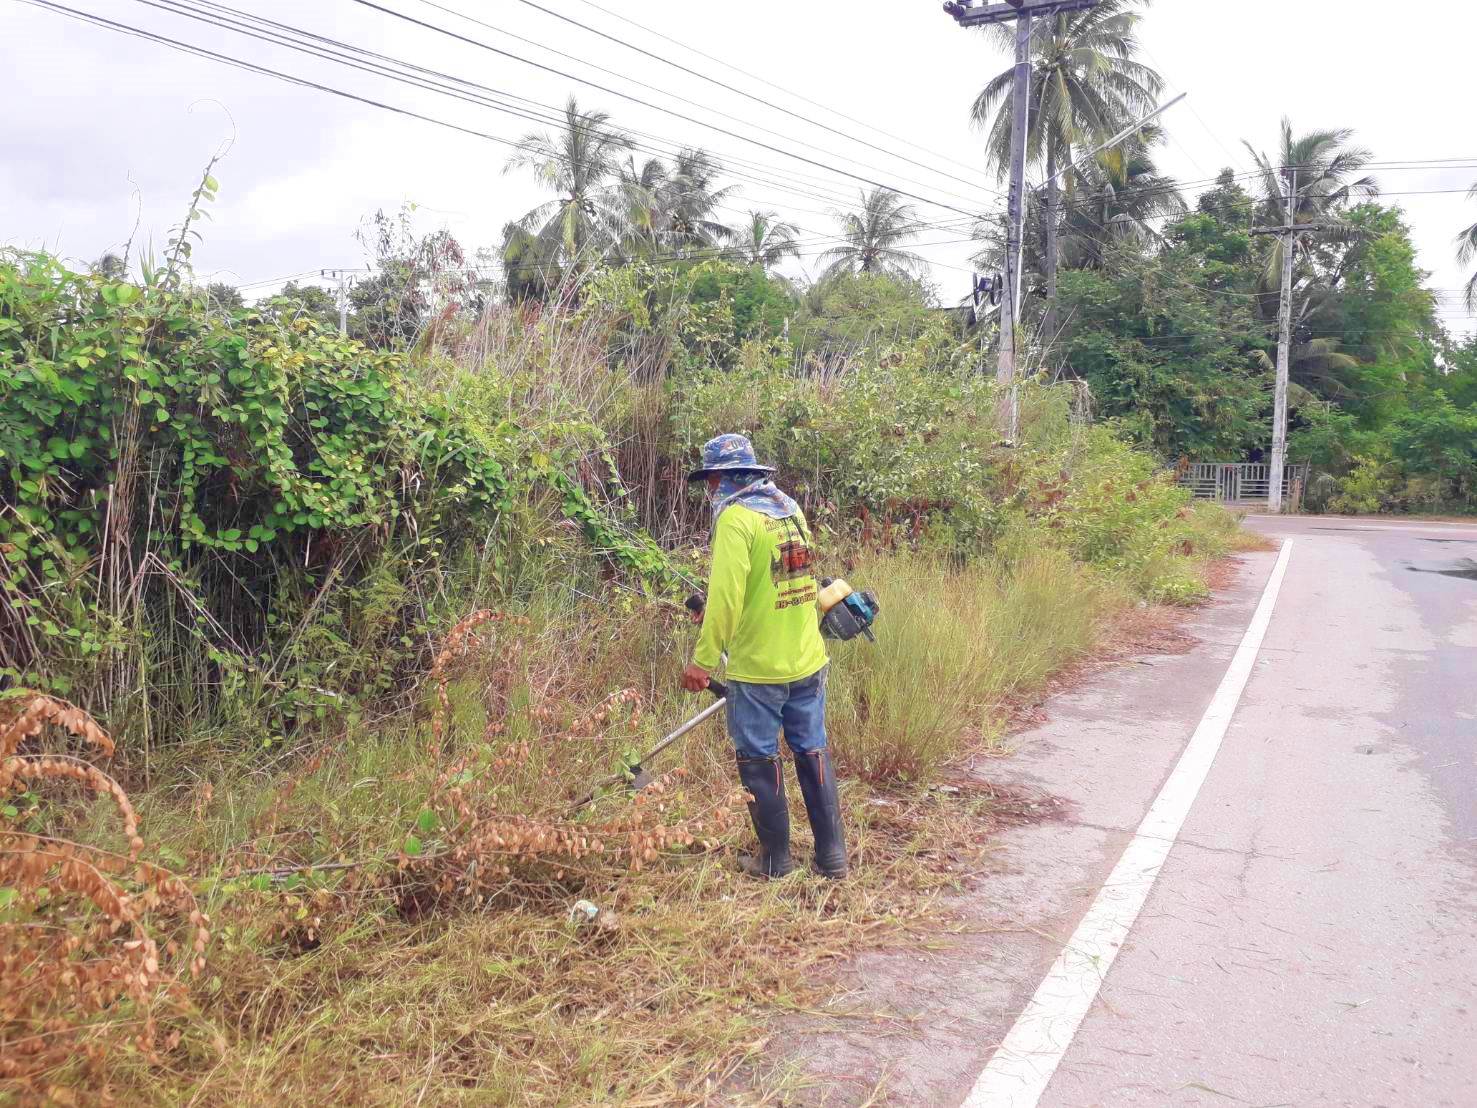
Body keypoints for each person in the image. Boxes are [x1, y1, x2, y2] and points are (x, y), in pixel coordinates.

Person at [680, 433, 847, 880]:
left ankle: (775, 860)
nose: (710, 491)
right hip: (808, 658)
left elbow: (726, 598)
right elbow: (792, 582)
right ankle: (832, 857)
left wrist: (703, 661)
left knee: (757, 756)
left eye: (711, 482)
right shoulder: (788, 508)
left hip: (759, 669)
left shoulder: (736, 520)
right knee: (812, 750)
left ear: (721, 479)